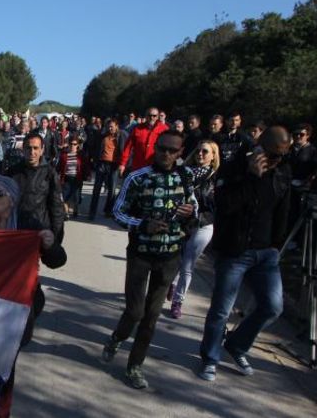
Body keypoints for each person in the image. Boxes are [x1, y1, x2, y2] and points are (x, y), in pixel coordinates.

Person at [103, 130, 196, 389]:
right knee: (135, 311)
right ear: (155, 148)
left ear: (180, 152)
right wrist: (143, 224)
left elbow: (197, 210)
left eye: (172, 150)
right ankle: (117, 338)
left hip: (170, 257)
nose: (166, 154)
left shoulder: (186, 178)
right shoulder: (138, 178)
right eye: (162, 148)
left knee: (151, 317)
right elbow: (117, 211)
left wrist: (191, 213)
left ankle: (135, 366)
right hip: (141, 254)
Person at [198, 126, 292, 382]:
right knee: (221, 310)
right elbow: (225, 206)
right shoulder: (235, 167)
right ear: (260, 145)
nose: (276, 160)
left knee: (273, 307)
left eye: (281, 155)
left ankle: (237, 345)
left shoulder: (282, 170)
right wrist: (251, 178)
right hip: (235, 250)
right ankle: (210, 357)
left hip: (266, 253)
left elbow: (283, 210)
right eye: (272, 154)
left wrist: (277, 245)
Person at [0, 176, 61, 418]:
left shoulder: (27, 224)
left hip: (16, 309)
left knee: (4, 363)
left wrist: (49, 244)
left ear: (12, 199)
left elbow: (59, 260)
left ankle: (0, 408)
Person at [167, 140, 221, 319]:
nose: (200, 154)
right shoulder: (184, 172)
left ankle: (178, 301)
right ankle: (173, 285)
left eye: (205, 152)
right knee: (177, 258)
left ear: (213, 156)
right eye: (198, 150)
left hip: (204, 224)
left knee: (188, 263)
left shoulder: (217, 178)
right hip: (183, 223)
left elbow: (218, 204)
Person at [6, 132, 66, 247]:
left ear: (42, 150)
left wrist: (56, 239)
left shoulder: (50, 173)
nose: (32, 152)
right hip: (14, 231)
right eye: (28, 148)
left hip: (38, 233)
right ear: (23, 149)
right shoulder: (12, 172)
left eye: (35, 148)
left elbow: (57, 208)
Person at [88, 118, 124, 219]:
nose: (110, 128)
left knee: (112, 190)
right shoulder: (102, 136)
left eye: (112, 126)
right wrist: (94, 160)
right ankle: (92, 212)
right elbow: (95, 147)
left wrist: (122, 164)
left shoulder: (121, 136)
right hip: (102, 164)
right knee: (96, 189)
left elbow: (124, 150)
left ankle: (108, 210)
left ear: (117, 126)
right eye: (108, 126)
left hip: (114, 165)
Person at [118, 107, 169, 177]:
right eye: (149, 115)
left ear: (158, 117)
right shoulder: (137, 129)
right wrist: (122, 164)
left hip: (156, 168)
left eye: (154, 116)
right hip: (138, 167)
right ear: (146, 116)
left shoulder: (165, 130)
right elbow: (127, 147)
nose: (152, 118)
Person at [58, 134, 89, 218]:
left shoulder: (81, 155)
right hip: (66, 178)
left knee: (76, 197)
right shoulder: (64, 155)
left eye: (75, 144)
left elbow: (85, 166)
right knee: (65, 196)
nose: (72, 146)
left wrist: (87, 175)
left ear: (78, 145)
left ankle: (75, 209)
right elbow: (59, 167)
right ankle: (66, 213)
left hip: (77, 178)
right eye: (71, 144)